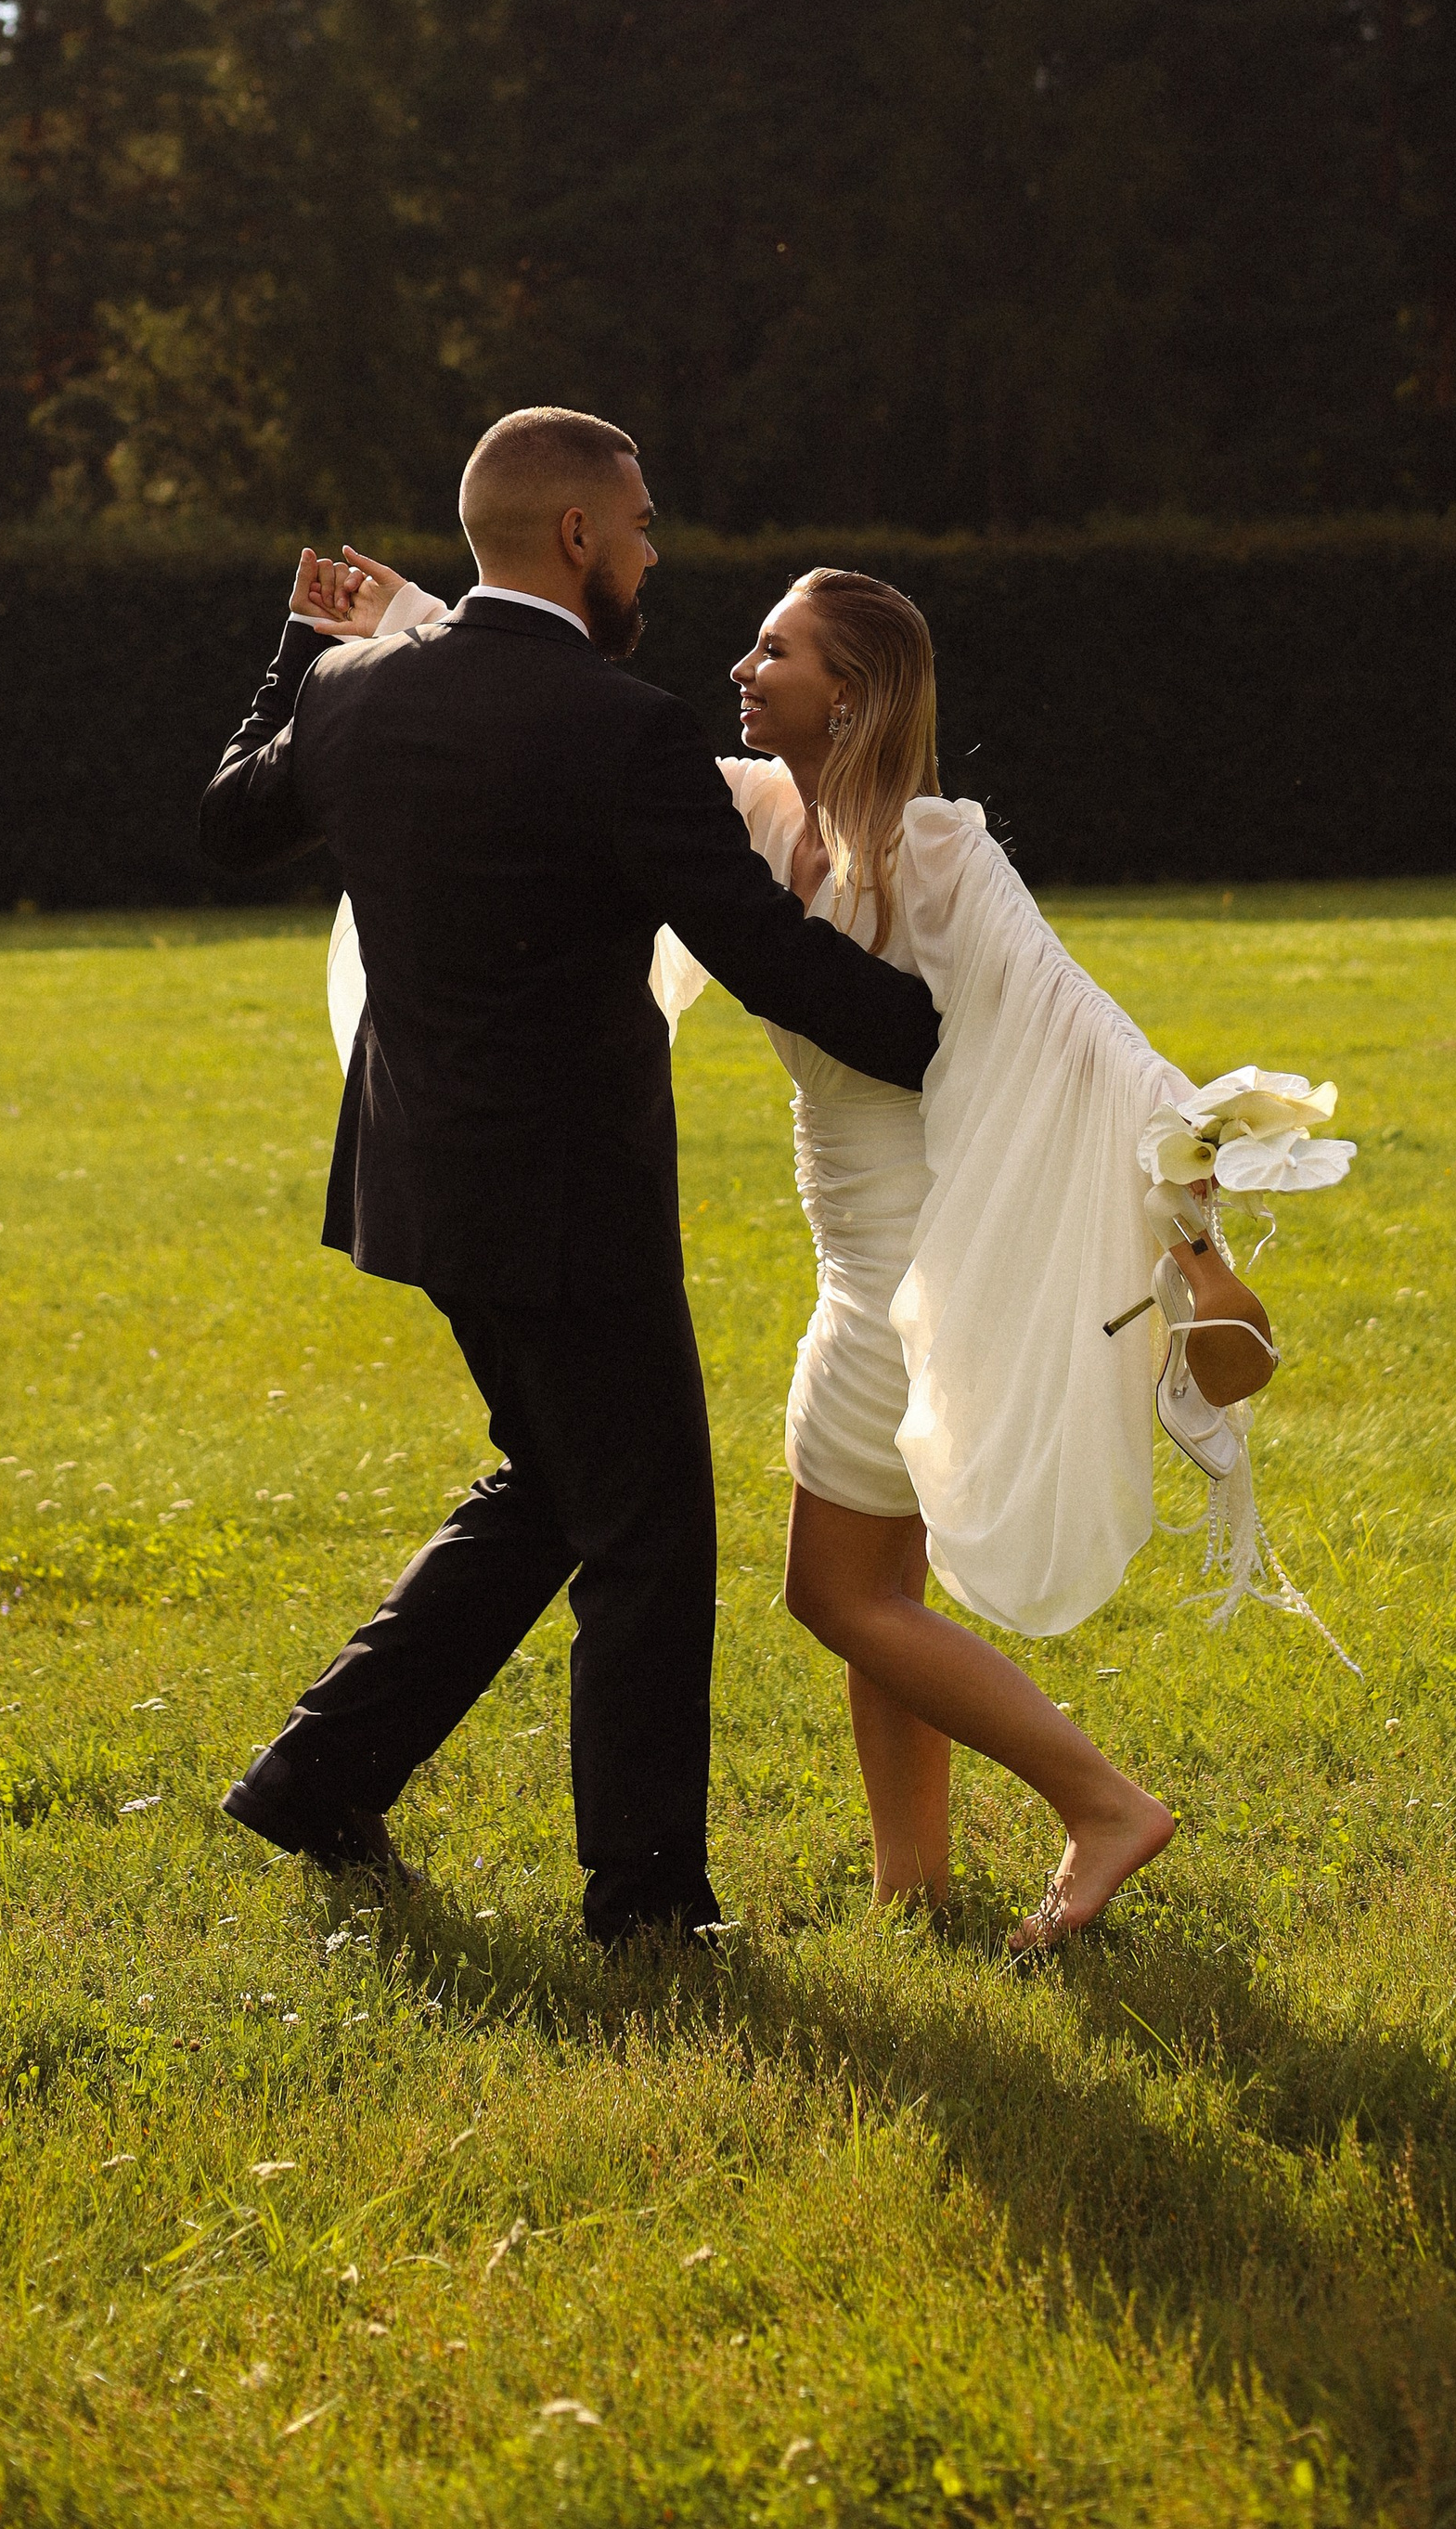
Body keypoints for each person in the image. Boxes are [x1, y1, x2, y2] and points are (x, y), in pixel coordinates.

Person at [316, 550, 1281, 1954]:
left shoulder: (943, 853)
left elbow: (1092, 1038)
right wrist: (417, 620)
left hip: (915, 1277)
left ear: (855, 693)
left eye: (777, 651)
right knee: (884, 1592)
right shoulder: (763, 809)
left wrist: (1198, 1239)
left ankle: (1103, 1805)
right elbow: (549, 727)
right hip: (853, 1271)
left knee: (832, 1593)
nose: (741, 670)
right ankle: (912, 1884)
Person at [199, 412, 938, 1946]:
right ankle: (648, 1902)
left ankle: (315, 1776)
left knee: (555, 1486)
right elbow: (759, 946)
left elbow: (227, 821)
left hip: (418, 1187)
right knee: (647, 1529)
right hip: (570, 1210)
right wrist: (948, 1039)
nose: (655, 554)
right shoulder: (623, 727)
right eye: (645, 525)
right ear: (581, 535)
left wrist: (297, 649)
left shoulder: (349, 693)